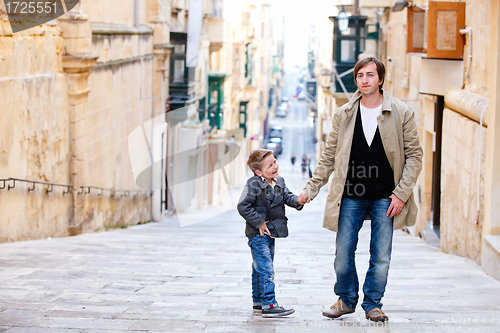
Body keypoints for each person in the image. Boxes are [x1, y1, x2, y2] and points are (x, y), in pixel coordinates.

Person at [298, 57, 423, 322]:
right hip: (350, 195)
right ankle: (345, 299)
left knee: (381, 255)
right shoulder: (344, 114)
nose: (364, 80)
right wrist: (311, 189)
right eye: (360, 76)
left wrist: (401, 193)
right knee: (343, 253)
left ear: (380, 79)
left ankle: (373, 304)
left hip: (386, 196)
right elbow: (329, 156)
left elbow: (415, 155)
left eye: (369, 75)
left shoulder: (401, 112)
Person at [237, 149, 303, 318]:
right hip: (257, 234)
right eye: (270, 165)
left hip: (271, 233)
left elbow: (287, 196)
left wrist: (298, 201)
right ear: (258, 172)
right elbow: (243, 206)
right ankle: (270, 304)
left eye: (274, 162)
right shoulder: (253, 184)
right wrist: (258, 221)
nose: (275, 166)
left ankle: (258, 301)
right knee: (266, 268)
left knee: (259, 267)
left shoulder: (279, 180)